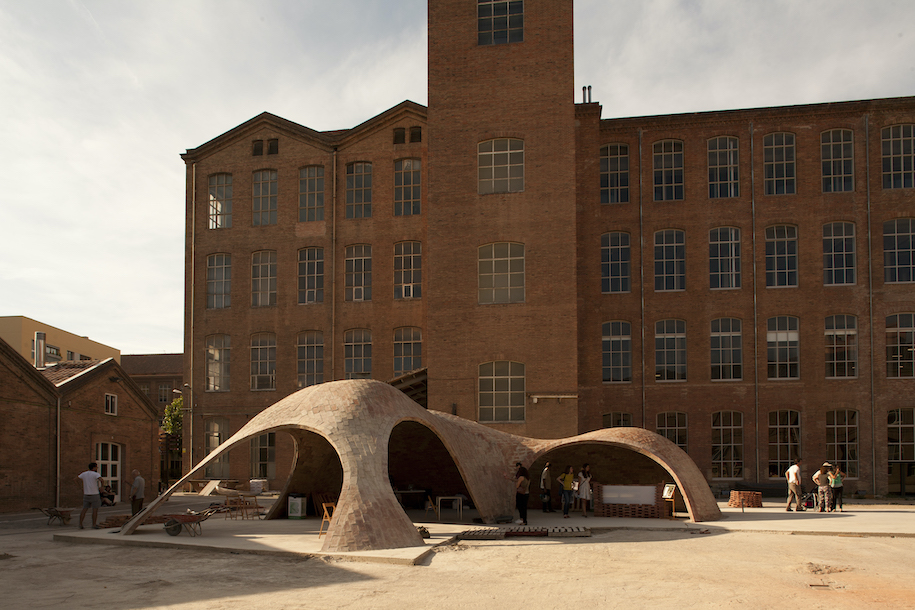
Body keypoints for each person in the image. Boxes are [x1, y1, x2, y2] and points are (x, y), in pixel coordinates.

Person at [77, 462, 103, 529]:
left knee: (84, 509)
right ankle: (94, 524)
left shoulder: (84, 474)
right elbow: (102, 480)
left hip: (86, 494)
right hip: (94, 494)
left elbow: (75, 479)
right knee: (95, 510)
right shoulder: (96, 474)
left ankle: (80, 524)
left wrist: (81, 488)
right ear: (94, 468)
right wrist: (102, 487)